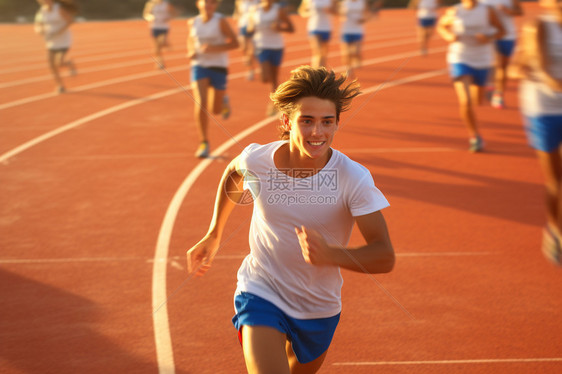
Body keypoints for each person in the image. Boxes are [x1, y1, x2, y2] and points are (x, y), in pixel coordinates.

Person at [186, 65, 395, 373]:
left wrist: (332, 255)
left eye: (327, 122)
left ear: (337, 123)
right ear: (287, 120)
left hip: (319, 306)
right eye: (306, 121)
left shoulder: (353, 178)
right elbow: (233, 172)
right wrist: (214, 232)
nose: (317, 132)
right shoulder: (258, 160)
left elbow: (384, 255)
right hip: (260, 291)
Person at [516, 0, 562, 265]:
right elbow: (545, 73)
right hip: (543, 108)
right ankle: (554, 230)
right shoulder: (539, 27)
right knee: (556, 179)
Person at [437, 0, 505, 152]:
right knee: (465, 101)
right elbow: (442, 26)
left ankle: (488, 89)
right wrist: (448, 35)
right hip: (460, 58)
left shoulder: (487, 10)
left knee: (476, 101)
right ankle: (475, 136)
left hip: (482, 60)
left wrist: (488, 38)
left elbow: (501, 31)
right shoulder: (454, 11)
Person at [187, 0, 239, 158]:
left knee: (215, 110)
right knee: (200, 102)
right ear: (198, 4)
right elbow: (191, 40)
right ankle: (204, 142)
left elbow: (235, 43)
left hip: (218, 66)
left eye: (212, 3)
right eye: (206, 2)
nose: (209, 5)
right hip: (199, 65)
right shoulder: (193, 22)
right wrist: (191, 51)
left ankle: (223, 100)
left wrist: (214, 49)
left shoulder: (220, 21)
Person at [247, 0, 295, 115]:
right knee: (264, 77)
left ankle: (274, 104)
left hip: (276, 47)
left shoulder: (278, 10)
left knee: (274, 79)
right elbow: (250, 29)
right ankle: (276, 101)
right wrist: (251, 28)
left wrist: (279, 28)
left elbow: (291, 28)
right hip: (261, 46)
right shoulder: (254, 10)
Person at [479, 0, 523, 109]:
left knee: (503, 67)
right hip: (490, 36)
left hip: (508, 36)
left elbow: (520, 11)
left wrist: (508, 10)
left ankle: (499, 94)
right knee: (493, 63)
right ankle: (491, 85)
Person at [34, 0, 77, 94]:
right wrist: (40, 30)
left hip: (63, 40)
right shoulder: (41, 11)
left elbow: (70, 20)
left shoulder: (59, 8)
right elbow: (38, 23)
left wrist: (59, 32)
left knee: (59, 62)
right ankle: (60, 85)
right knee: (51, 64)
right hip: (51, 40)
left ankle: (69, 63)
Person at [338, 0, 377, 79]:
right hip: (346, 30)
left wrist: (364, 19)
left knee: (356, 51)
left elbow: (368, 13)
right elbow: (338, 13)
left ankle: (357, 58)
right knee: (346, 53)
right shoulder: (344, 3)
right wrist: (341, 14)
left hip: (357, 30)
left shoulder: (362, 2)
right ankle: (349, 69)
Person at [298, 0, 339, 68]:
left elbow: (337, 12)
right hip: (314, 28)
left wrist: (330, 10)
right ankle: (315, 72)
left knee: (324, 53)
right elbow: (302, 12)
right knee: (318, 52)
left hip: (326, 28)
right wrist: (311, 13)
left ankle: (321, 72)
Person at [143, 0, 176, 69]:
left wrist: (168, 17)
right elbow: (146, 14)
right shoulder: (151, 4)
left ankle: (165, 42)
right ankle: (160, 63)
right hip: (154, 27)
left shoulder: (166, 3)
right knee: (156, 48)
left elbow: (173, 13)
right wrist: (150, 18)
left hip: (164, 27)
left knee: (161, 41)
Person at [234, 0, 260, 80]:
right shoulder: (240, 1)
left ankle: (252, 69)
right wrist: (236, 18)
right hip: (243, 26)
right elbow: (237, 13)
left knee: (252, 50)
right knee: (244, 48)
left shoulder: (258, 1)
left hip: (254, 27)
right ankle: (250, 69)